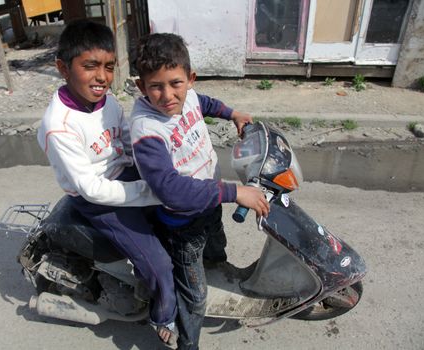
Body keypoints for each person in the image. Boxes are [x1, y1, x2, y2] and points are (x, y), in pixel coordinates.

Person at [36, 20, 178, 344]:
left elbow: (128, 143)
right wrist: (150, 191)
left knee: (181, 205)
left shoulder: (107, 101)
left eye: (109, 67)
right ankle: (164, 316)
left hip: (123, 175)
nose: (102, 76)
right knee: (157, 263)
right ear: (63, 68)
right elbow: (92, 188)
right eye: (90, 66)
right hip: (97, 200)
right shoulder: (59, 125)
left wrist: (158, 171)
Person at [130, 33, 270, 350]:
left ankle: (217, 267)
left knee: (217, 241)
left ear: (190, 79)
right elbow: (171, 190)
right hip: (183, 224)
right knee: (194, 295)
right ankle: (188, 343)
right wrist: (236, 192)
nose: (167, 95)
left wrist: (232, 113)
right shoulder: (147, 130)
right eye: (156, 86)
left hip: (209, 200)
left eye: (176, 83)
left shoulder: (188, 96)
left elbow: (204, 103)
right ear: (142, 87)